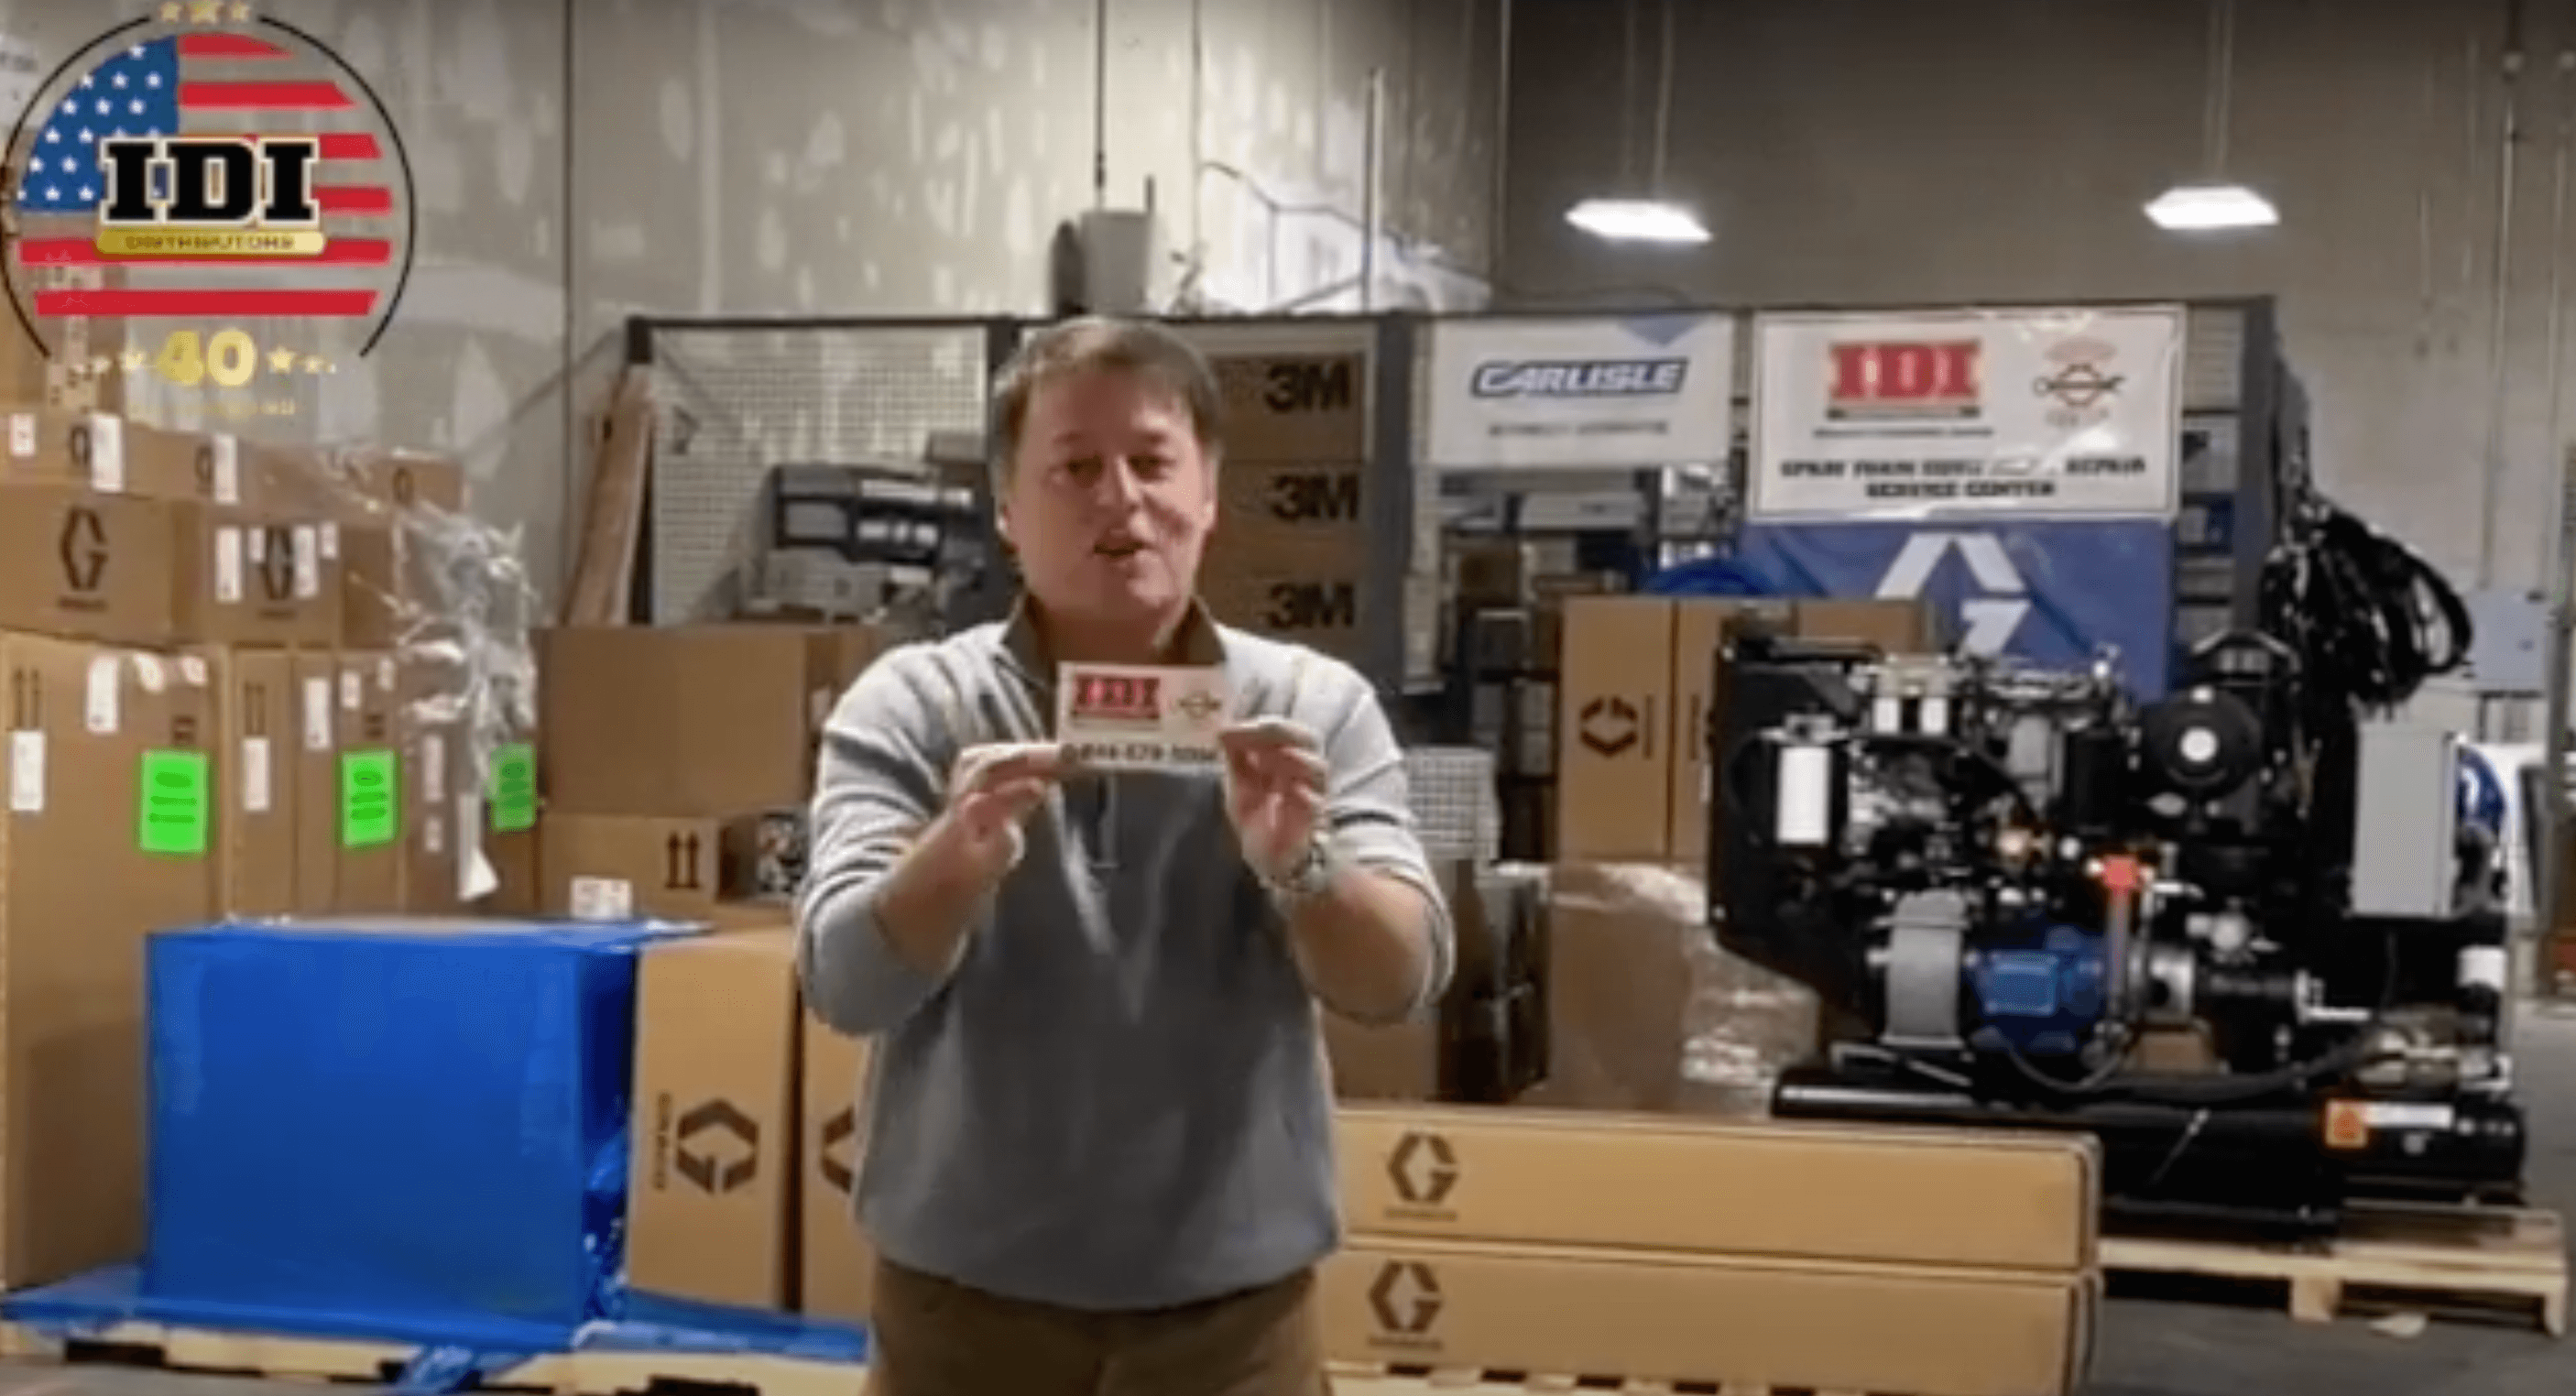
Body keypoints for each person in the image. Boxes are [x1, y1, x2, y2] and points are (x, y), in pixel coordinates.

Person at [796, 315, 1455, 1396]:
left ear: (1207, 496)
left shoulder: (1308, 708)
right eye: (1074, 467)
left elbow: (1400, 981)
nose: (1120, 498)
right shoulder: (918, 702)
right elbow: (844, 985)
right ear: (1008, 510)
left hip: (1236, 1319)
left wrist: (1303, 867)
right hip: (961, 1311)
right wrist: (952, 861)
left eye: (1152, 463)